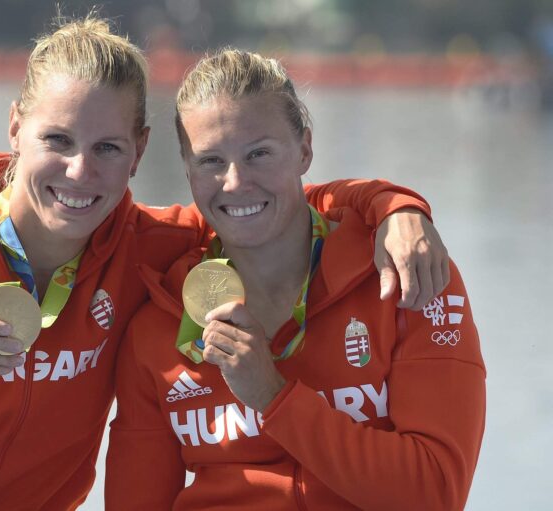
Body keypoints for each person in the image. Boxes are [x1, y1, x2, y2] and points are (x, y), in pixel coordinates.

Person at [0, 15, 448, 511]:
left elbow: (265, 204)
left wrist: (395, 205)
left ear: (139, 151)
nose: (79, 171)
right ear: (15, 127)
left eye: (107, 147)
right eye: (57, 140)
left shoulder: (144, 247)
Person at [105, 49, 485, 510]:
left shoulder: (406, 276)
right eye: (210, 161)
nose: (235, 182)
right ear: (187, 169)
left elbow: (435, 493)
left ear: (305, 149)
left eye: (259, 153)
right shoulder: (157, 327)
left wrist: (273, 396)